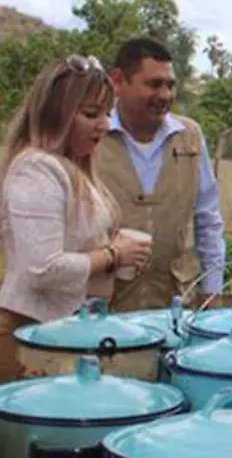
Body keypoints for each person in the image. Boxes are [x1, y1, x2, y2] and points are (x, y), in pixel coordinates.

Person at [0, 56, 152, 381]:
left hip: (65, 333)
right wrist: (113, 255)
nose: (106, 124)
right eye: (91, 114)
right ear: (57, 115)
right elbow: (42, 269)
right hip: (30, 334)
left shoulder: (76, 168)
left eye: (108, 113)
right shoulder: (36, 169)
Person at [95, 38, 226, 312]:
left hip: (174, 307)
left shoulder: (189, 138)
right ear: (118, 81)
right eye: (154, 84)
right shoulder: (92, 135)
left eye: (170, 85)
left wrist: (212, 292)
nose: (165, 95)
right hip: (101, 310)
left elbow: (208, 221)